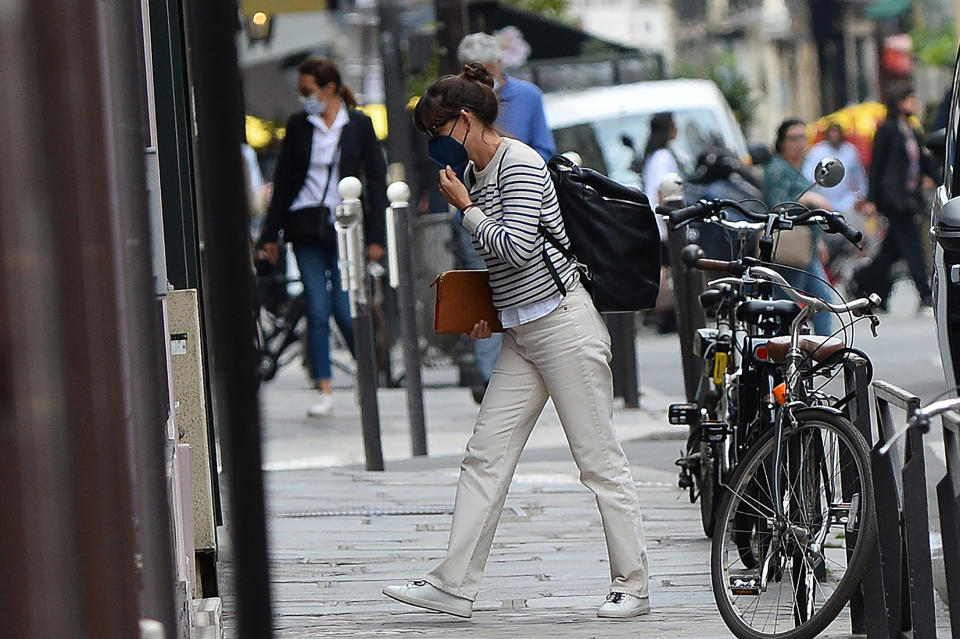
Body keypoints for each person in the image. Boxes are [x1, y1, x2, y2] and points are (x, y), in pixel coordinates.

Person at [382, 63, 650, 620]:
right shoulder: (479, 175)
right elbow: (504, 268)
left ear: (463, 120)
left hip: (564, 326)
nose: (435, 145)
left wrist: (468, 210)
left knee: (598, 461)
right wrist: (491, 311)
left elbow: (520, 250)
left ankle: (633, 584)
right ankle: (452, 584)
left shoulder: (520, 163)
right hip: (523, 332)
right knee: (485, 456)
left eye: (438, 132)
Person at [258, 56, 387, 417]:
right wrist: (270, 233)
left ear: (328, 88)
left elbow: (376, 184)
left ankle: (366, 376)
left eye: (307, 90)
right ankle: (324, 386)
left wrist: (376, 236)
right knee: (316, 307)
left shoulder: (359, 125)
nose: (302, 97)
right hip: (304, 226)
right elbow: (283, 183)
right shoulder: (300, 125)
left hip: (345, 227)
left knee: (345, 309)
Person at [453, 32, 557, 403]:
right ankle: (490, 377)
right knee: (486, 289)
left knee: (517, 274)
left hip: (517, 202)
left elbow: (546, 150)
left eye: (489, 70)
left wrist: (506, 152)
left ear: (500, 66)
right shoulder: (456, 105)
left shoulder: (526, 97)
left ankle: (521, 369)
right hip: (472, 205)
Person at [851, 82, 936, 311]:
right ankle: (926, 295)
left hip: (910, 197)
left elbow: (923, 162)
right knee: (912, 247)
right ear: (900, 102)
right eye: (911, 99)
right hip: (894, 199)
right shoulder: (887, 130)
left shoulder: (911, 129)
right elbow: (877, 166)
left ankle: (863, 281)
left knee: (891, 252)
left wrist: (934, 177)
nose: (915, 104)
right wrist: (871, 199)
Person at [764, 119, 835, 335]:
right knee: (789, 305)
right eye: (793, 138)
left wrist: (818, 240)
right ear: (781, 142)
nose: (799, 143)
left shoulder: (796, 169)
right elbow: (778, 204)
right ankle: (785, 353)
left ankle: (821, 352)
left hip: (805, 246)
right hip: (790, 247)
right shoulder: (777, 169)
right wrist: (808, 198)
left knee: (822, 300)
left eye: (803, 137)